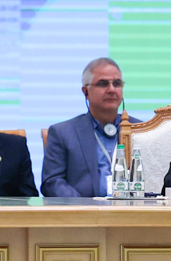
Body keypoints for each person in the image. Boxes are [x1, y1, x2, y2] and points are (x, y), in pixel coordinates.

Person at [40, 58, 141, 197]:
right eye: (103, 84)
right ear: (85, 91)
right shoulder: (63, 133)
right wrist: (85, 208)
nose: (111, 90)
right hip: (84, 215)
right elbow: (52, 182)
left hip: (132, 213)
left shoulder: (141, 130)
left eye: (117, 83)